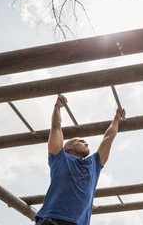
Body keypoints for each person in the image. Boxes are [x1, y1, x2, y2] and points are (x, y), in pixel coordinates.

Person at [35, 95, 125, 225]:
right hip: (53, 219)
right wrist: (57, 108)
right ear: (69, 146)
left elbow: (109, 137)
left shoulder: (94, 164)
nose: (86, 143)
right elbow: (56, 127)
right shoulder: (59, 158)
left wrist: (117, 119)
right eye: (81, 141)